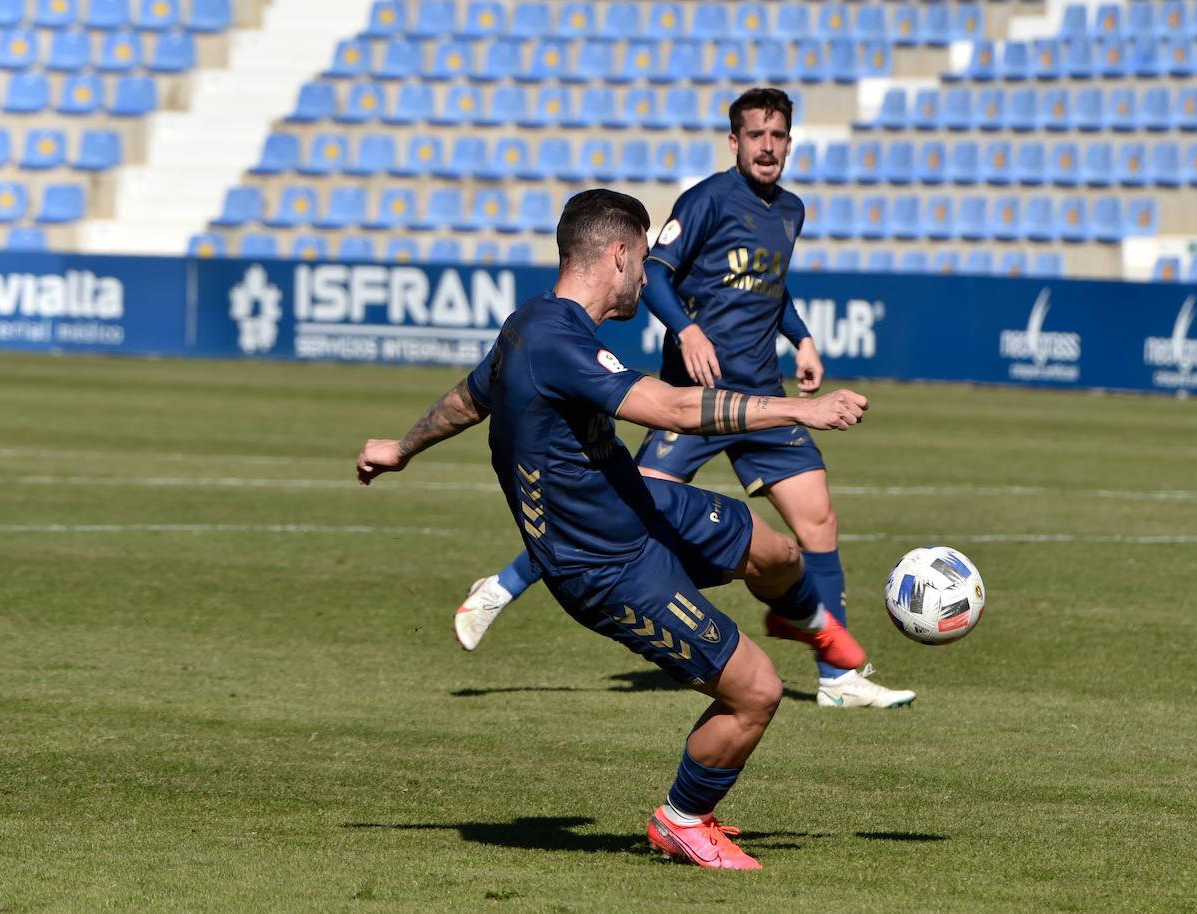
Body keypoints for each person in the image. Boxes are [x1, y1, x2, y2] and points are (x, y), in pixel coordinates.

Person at [359, 189, 870, 869]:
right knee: (758, 692)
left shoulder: (528, 324)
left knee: (775, 550)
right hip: (604, 567)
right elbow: (672, 408)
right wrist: (798, 411)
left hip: (640, 506)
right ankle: (684, 819)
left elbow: (469, 396)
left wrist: (403, 446)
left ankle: (808, 626)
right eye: (642, 260)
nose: (646, 275)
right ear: (620, 254)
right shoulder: (555, 340)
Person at [455, 88, 916, 710]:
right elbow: (657, 275)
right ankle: (504, 585)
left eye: (779, 135)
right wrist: (688, 328)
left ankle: (836, 677)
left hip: (762, 394)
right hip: (695, 399)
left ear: (790, 141)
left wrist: (802, 339)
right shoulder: (704, 200)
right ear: (735, 142)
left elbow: (772, 287)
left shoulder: (791, 211)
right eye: (756, 135)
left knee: (818, 523)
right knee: (621, 502)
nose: (768, 147)